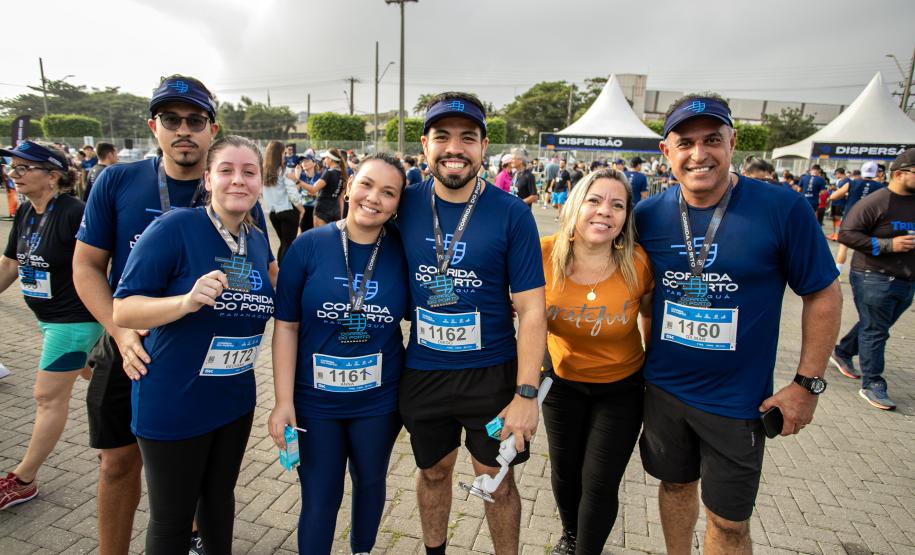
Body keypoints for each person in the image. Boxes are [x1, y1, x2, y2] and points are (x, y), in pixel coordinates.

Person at [73, 75, 275, 555]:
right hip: (128, 342)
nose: (183, 129)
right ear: (154, 126)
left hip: (212, 372)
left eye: (195, 120)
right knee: (119, 464)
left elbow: (267, 275)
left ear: (211, 128)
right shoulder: (119, 180)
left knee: (201, 487)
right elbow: (85, 265)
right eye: (171, 119)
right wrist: (121, 334)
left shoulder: (247, 214)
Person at [634, 94, 841, 555]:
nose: (699, 153)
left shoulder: (782, 209)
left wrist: (807, 384)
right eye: (684, 143)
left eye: (712, 140)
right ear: (666, 152)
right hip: (665, 392)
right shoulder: (647, 216)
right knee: (674, 488)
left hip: (738, 402)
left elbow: (823, 293)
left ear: (732, 143)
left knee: (728, 523)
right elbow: (644, 295)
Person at [397, 92, 546, 555]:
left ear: (484, 147)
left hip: (492, 375)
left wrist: (526, 393)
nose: (454, 148)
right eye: (442, 136)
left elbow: (533, 310)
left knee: (497, 482)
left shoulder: (512, 213)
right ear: (425, 145)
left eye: (468, 137)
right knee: (434, 472)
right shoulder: (401, 203)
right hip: (424, 370)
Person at [269, 153, 409, 555]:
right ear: (348, 187)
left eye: (388, 192)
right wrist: (282, 402)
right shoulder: (309, 246)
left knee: (370, 482)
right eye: (366, 184)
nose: (373, 198)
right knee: (320, 493)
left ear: (398, 204)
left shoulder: (403, 251)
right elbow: (286, 326)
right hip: (314, 402)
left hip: (379, 401)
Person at [541, 167, 654, 554]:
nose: (605, 211)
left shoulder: (638, 262)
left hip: (621, 388)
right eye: (594, 200)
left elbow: (650, 315)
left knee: (600, 481)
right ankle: (571, 536)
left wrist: (655, 371)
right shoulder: (541, 254)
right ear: (575, 205)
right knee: (565, 472)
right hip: (560, 383)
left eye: (617, 205)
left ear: (625, 218)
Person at [0, 141, 102, 510]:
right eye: (13, 167)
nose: (15, 173)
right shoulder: (27, 212)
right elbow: (11, 263)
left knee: (47, 397)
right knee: (101, 373)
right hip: (46, 319)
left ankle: (23, 479)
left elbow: (98, 263)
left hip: (73, 321)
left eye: (25, 168)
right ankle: (134, 426)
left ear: (53, 175)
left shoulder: (75, 212)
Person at [830, 148, 915, 410]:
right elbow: (847, 234)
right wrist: (889, 245)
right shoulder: (877, 202)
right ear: (900, 174)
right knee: (876, 330)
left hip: (906, 279)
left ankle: (843, 351)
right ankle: (873, 382)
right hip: (873, 276)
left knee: (876, 326)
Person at [831, 161, 886, 276]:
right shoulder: (881, 187)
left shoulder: (853, 183)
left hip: (850, 218)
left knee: (843, 247)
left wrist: (848, 195)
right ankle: (861, 272)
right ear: (876, 172)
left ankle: (837, 272)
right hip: (870, 221)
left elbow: (833, 196)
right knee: (864, 248)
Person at [261, 141, 304, 264]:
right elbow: (292, 193)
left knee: (284, 243)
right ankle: (285, 272)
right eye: (283, 153)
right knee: (288, 244)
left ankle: (280, 270)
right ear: (278, 154)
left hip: (273, 213)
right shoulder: (284, 171)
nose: (285, 156)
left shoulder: (264, 172)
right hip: (288, 211)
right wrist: (301, 209)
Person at [299, 148, 348, 227]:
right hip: (336, 211)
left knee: (320, 237)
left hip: (322, 210)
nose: (324, 160)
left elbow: (313, 190)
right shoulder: (343, 174)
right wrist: (341, 217)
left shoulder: (329, 173)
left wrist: (298, 181)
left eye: (325, 158)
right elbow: (340, 198)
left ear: (330, 159)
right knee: (331, 238)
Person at [288, 153, 320, 233]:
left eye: (307, 161)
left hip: (317, 210)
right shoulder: (299, 176)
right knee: (303, 235)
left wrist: (315, 193)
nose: (304, 163)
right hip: (303, 209)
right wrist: (297, 176)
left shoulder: (320, 177)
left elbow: (323, 193)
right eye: (302, 161)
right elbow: (294, 193)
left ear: (314, 163)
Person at [828, 168, 849, 240]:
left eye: (836, 174)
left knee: (838, 218)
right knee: (834, 218)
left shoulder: (847, 181)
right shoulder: (839, 180)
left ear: (839, 173)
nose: (836, 176)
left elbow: (846, 192)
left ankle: (837, 234)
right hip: (835, 201)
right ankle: (834, 233)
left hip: (841, 202)